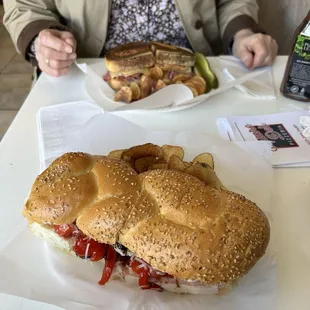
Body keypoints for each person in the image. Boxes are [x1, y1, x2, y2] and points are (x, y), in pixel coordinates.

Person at [3, 0, 278, 78]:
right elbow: (24, 5)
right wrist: (41, 39)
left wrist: (243, 33)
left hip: (195, 77)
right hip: (91, 78)